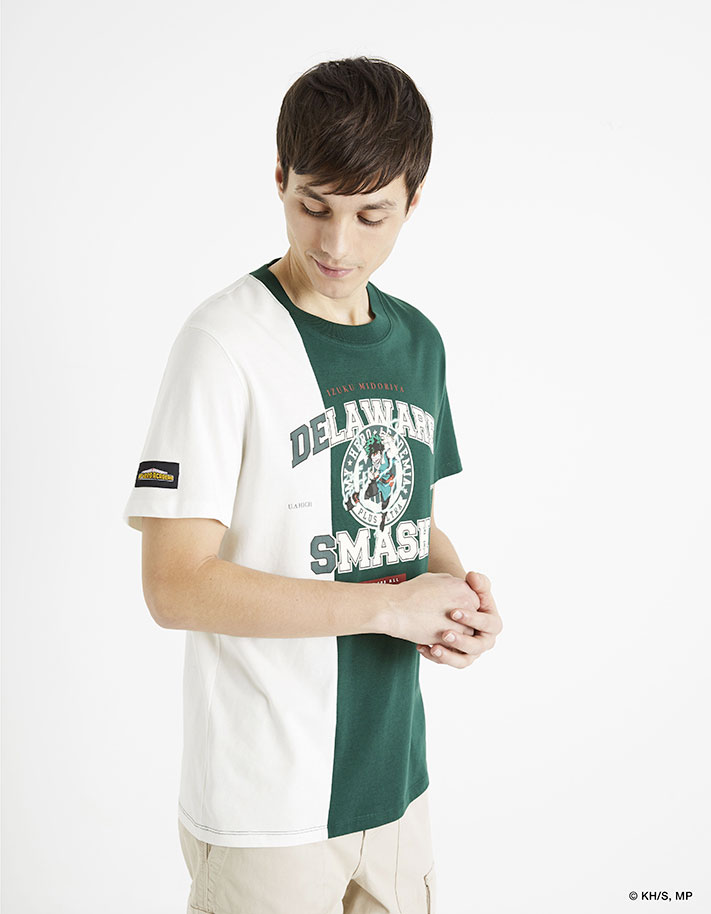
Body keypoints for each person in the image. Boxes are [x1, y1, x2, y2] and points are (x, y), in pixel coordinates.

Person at [122, 55, 503, 914]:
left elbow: (412, 523)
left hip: (396, 787)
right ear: (280, 181)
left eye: (370, 215)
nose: (336, 244)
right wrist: (386, 610)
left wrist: (456, 601)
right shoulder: (221, 343)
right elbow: (174, 587)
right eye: (313, 206)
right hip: (264, 805)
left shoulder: (418, 341)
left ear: (412, 200)